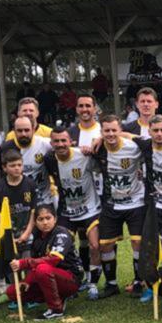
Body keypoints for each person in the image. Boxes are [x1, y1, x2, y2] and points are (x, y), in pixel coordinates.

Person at [94, 114, 148, 297]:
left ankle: (139, 282)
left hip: (136, 201)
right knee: (105, 245)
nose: (110, 134)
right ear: (101, 132)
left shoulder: (133, 148)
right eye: (106, 130)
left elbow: (149, 145)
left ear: (120, 130)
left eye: (114, 130)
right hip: (111, 204)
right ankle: (111, 284)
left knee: (137, 242)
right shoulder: (98, 149)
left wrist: (128, 135)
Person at [44, 126, 102, 294]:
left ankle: (93, 283)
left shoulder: (83, 156)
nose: (61, 144)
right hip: (66, 211)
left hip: (90, 208)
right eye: (56, 141)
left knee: (94, 245)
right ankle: (72, 280)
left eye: (64, 140)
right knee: (62, 248)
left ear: (71, 141)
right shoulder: (49, 160)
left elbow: (102, 167)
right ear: (51, 143)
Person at [7, 205, 83, 320]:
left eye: (48, 218)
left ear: (55, 219)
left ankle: (56, 309)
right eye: (40, 219)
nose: (45, 222)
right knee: (12, 292)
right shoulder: (36, 236)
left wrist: (23, 263)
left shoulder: (62, 233)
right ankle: (56, 297)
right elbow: (35, 264)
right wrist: (27, 281)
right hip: (47, 275)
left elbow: (53, 259)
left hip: (70, 278)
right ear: (35, 222)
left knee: (43, 269)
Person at [0, 116, 54, 204]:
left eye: (27, 130)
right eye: (19, 130)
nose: (23, 134)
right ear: (14, 131)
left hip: (43, 200)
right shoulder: (5, 148)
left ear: (33, 129)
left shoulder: (46, 144)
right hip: (17, 203)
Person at [0, 150, 37, 259]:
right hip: (8, 233)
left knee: (27, 264)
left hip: (27, 233)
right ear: (4, 168)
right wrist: (7, 235)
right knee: (12, 269)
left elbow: (34, 211)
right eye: (12, 165)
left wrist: (27, 233)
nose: (17, 168)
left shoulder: (30, 184)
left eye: (19, 165)